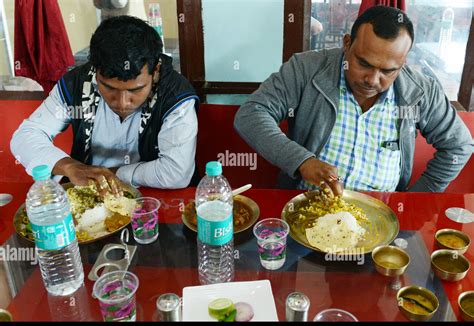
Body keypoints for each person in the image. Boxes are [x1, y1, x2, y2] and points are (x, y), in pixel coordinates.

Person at [234, 6, 472, 196]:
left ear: (403, 62)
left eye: (388, 71)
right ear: (347, 43)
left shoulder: (420, 92)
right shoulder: (307, 70)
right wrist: (303, 161)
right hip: (309, 206)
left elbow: (459, 146)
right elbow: (251, 113)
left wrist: (414, 199)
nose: (372, 80)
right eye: (364, 64)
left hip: (381, 216)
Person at [11, 16, 199, 194]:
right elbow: (25, 137)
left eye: (135, 90)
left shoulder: (175, 96)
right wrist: (72, 167)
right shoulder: (76, 83)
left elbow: (176, 173)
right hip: (90, 196)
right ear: (95, 70)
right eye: (109, 88)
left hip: (155, 199)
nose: (122, 103)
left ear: (155, 69)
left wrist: (109, 175)